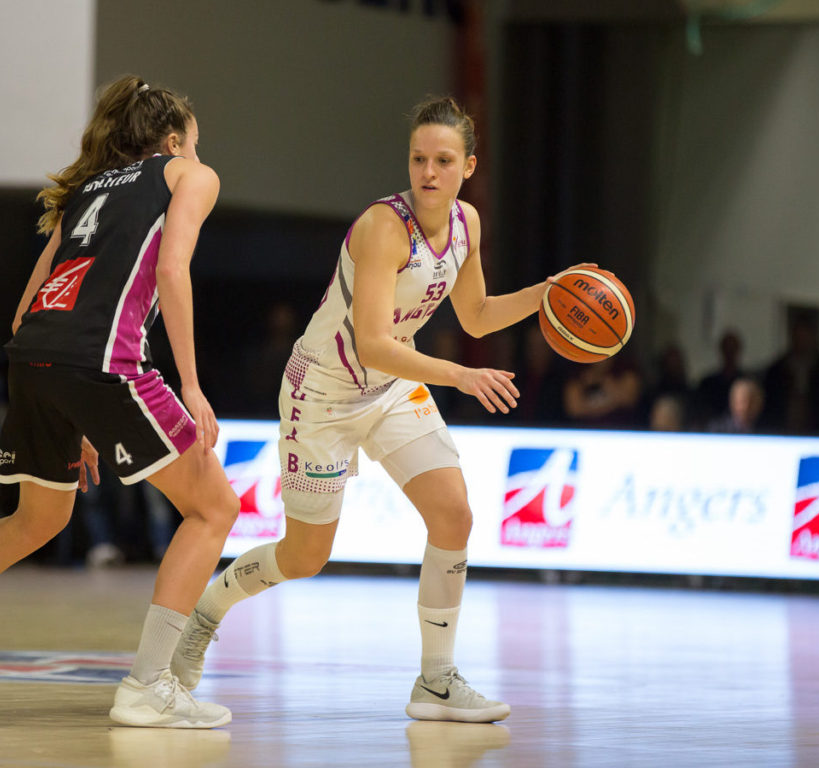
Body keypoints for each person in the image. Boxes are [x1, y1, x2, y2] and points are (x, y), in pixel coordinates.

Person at [169, 97, 589, 723]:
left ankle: (437, 681)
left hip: (391, 389)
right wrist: (461, 376)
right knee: (306, 557)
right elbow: (371, 343)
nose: (427, 171)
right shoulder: (382, 228)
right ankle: (208, 610)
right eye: (419, 158)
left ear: (468, 167)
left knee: (454, 514)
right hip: (324, 395)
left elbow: (474, 314)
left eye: (443, 161)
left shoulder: (468, 224)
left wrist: (546, 293)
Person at [0, 74, 238, 729]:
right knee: (214, 507)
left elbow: (26, 307)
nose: (198, 154)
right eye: (195, 143)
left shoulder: (86, 190)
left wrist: (75, 409)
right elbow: (173, 272)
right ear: (173, 141)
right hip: (104, 358)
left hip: (34, 358)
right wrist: (192, 385)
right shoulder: (189, 175)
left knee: (38, 520)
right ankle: (148, 686)